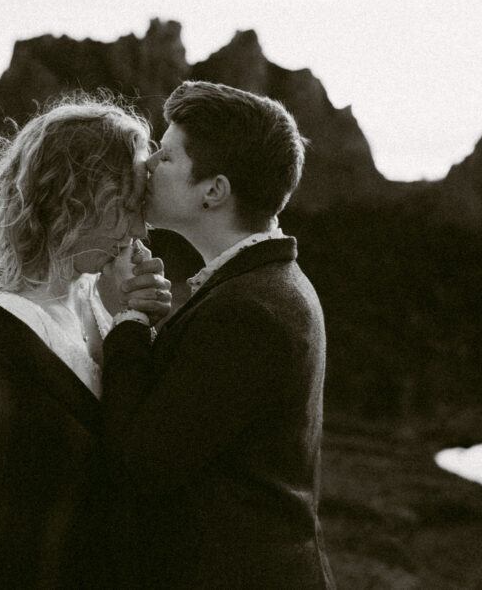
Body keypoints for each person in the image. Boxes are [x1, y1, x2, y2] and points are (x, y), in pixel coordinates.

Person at [0, 93, 170, 589]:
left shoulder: (98, 296)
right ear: (75, 197)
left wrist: (136, 323)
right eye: (128, 208)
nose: (139, 229)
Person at [102, 80, 335, 588]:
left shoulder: (250, 310)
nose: (147, 166)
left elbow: (143, 466)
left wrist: (130, 320)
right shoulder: (265, 285)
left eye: (165, 157)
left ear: (214, 190)